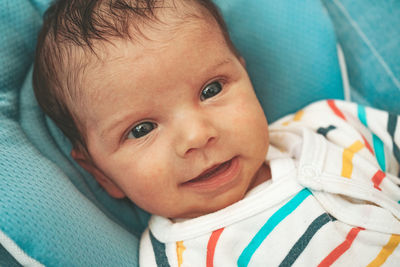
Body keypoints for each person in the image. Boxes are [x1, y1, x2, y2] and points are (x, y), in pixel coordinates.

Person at [33, 0, 400, 266]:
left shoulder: (329, 125)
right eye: (141, 129)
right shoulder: (182, 258)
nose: (196, 135)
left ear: (245, 74)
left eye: (211, 90)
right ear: (99, 173)